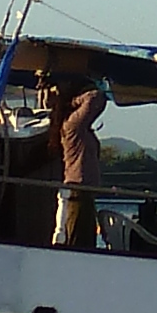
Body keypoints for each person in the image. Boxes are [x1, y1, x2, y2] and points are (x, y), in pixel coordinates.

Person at [49, 80, 108, 249]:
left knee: (85, 238)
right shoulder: (72, 126)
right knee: (77, 238)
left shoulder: (78, 129)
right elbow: (95, 98)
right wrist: (75, 100)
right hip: (78, 188)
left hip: (85, 190)